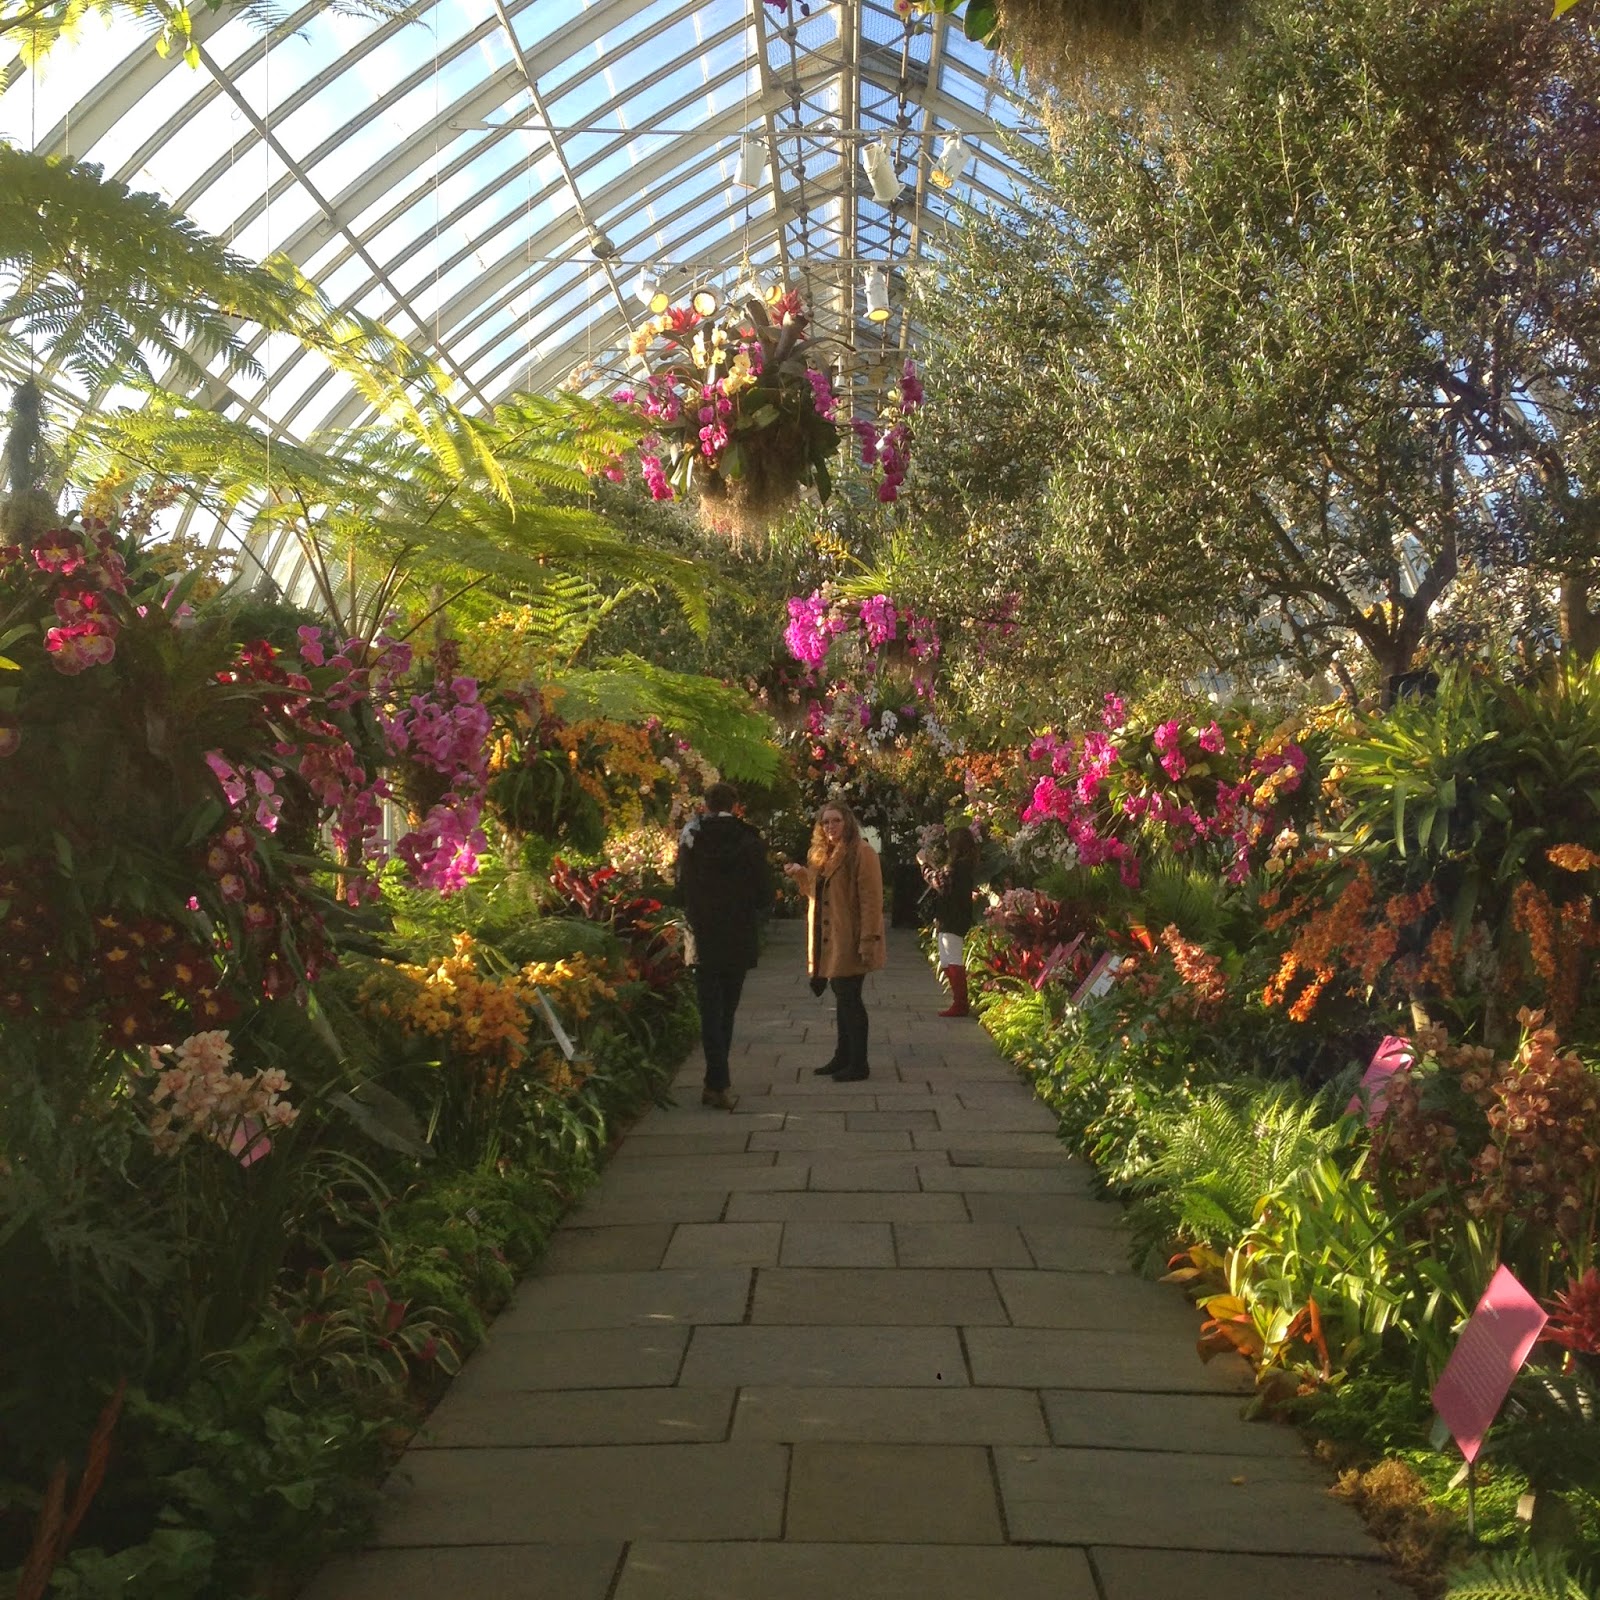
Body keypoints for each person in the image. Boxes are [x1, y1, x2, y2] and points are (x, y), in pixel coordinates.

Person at [676, 781, 770, 1111]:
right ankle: (716, 1082)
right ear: (736, 806)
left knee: (709, 1011)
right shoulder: (749, 840)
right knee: (726, 1011)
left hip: (702, 935)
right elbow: (764, 893)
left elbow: (680, 887)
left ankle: (716, 1081)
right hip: (737, 934)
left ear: (705, 805)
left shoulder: (691, 837)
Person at [782, 796, 885, 1082]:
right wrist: (802, 875)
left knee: (849, 997)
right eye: (825, 822)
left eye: (836, 821)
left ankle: (859, 1063)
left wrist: (868, 939)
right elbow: (816, 894)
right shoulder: (823, 854)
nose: (830, 826)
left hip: (850, 937)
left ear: (847, 822)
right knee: (841, 996)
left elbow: (871, 900)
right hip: (829, 938)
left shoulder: (862, 852)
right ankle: (843, 1056)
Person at [929, 823, 979, 1017]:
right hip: (953, 917)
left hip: (952, 918)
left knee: (952, 960)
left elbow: (938, 882)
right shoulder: (965, 866)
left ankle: (960, 1003)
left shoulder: (957, 867)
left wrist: (924, 865)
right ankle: (958, 1001)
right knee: (946, 960)